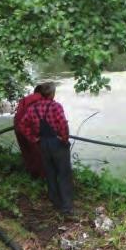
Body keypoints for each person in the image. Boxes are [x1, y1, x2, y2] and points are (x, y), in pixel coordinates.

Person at [24, 82, 74, 215]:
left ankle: (55, 201)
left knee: (50, 172)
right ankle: (66, 207)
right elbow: (63, 124)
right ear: (52, 94)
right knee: (64, 174)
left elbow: (23, 124)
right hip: (57, 142)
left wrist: (33, 138)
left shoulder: (32, 108)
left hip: (43, 143)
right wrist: (64, 138)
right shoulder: (56, 106)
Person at [14, 84, 46, 179]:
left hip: (18, 127)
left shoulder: (25, 99)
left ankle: (32, 176)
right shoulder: (41, 100)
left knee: (27, 153)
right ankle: (41, 179)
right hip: (30, 129)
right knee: (39, 155)